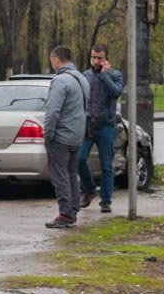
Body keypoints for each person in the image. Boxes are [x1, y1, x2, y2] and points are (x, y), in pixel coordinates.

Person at [43, 46, 90, 229]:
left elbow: (52, 112)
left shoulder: (60, 81)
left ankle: (65, 213)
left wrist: (48, 135)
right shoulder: (81, 79)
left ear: (56, 59)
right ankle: (73, 210)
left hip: (61, 136)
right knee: (71, 174)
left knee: (59, 175)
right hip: (77, 135)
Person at [78, 43, 124, 213]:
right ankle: (89, 190)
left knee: (106, 165)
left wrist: (105, 76)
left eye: (99, 58)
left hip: (106, 125)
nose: (95, 61)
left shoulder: (115, 75)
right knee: (80, 159)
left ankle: (106, 200)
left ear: (106, 58)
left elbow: (116, 92)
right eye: (93, 57)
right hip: (88, 124)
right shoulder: (86, 75)